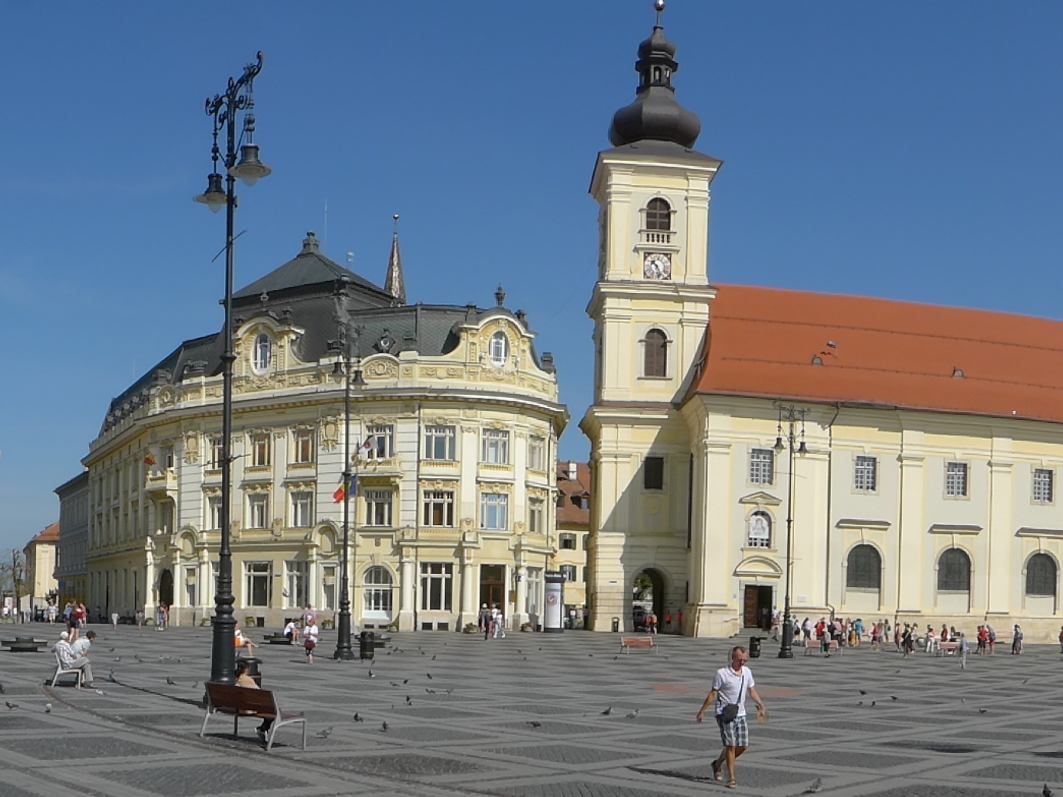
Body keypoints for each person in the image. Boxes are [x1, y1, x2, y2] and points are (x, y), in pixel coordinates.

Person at [696, 646, 767, 790]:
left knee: (743, 745)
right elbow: (712, 693)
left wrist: (760, 705)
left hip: (740, 713)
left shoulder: (747, 672)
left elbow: (751, 690)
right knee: (731, 745)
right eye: (739, 659)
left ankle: (717, 763)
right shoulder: (722, 673)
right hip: (724, 714)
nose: (742, 662)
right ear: (732, 658)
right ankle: (732, 778)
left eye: (744, 659)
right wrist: (702, 711)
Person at [234, 661, 273, 742]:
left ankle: (263, 729)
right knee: (273, 711)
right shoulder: (247, 679)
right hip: (249, 708)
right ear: (246, 669)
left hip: (240, 707)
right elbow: (259, 691)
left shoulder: (237, 679)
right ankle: (262, 729)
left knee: (270, 710)